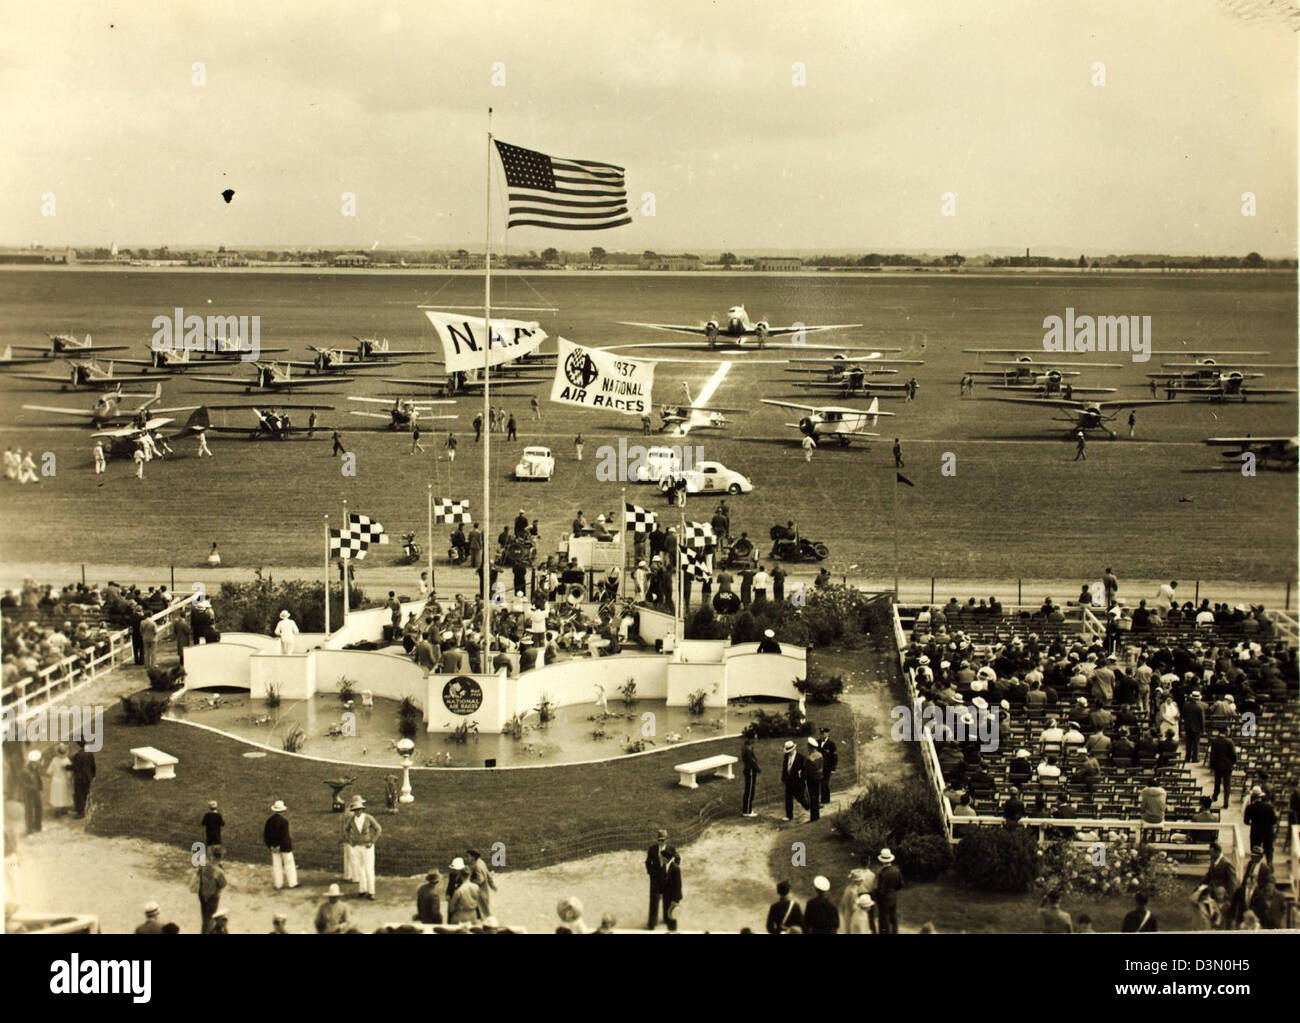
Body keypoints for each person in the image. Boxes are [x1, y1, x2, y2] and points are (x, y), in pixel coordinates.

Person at [342, 795, 382, 899]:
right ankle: (362, 890)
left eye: (359, 809)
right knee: (359, 869)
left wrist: (372, 841)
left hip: (367, 847)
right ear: (353, 810)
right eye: (355, 810)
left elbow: (378, 829)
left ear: (362, 809)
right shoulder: (351, 819)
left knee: (369, 869)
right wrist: (350, 840)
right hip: (356, 847)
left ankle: (371, 891)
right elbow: (345, 829)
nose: (358, 812)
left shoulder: (368, 818)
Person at [264, 799, 299, 890]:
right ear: (283, 810)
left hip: (273, 847)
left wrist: (271, 846)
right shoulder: (284, 821)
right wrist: (279, 845)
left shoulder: (269, 821)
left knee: (276, 865)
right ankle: (292, 883)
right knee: (289, 864)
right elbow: (284, 836)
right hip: (284, 846)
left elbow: (266, 835)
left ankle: (278, 884)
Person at [645, 828, 677, 928]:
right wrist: (651, 873)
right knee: (654, 902)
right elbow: (647, 862)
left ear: (666, 840)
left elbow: (676, 861)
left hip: (667, 879)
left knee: (667, 901)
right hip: (655, 880)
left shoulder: (671, 850)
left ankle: (666, 920)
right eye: (659, 839)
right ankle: (652, 923)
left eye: (662, 840)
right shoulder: (652, 849)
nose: (660, 842)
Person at [195, 846, 228, 933]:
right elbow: (223, 884)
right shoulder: (219, 871)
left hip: (202, 894)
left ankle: (203, 931)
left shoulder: (204, 865)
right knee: (210, 919)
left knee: (205, 917)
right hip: (213, 897)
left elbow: (199, 875)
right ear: (221, 856)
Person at [1243, 788, 1278, 864]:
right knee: (1269, 850)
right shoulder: (1269, 807)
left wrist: (1253, 823)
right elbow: (1274, 820)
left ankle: (1254, 868)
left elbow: (1246, 821)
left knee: (1255, 851)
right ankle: (1269, 864)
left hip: (1256, 832)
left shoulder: (1250, 807)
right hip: (1268, 832)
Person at [874, 849, 904, 934]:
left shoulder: (882, 873)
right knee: (894, 916)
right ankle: (895, 932)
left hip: (884, 898)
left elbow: (880, 889)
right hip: (893, 895)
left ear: (882, 861)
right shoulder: (896, 870)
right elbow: (901, 884)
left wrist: (877, 896)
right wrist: (893, 890)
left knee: (885, 917)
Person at [1208, 727, 1236, 808]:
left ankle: (1215, 795)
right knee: (1227, 785)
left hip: (1217, 765)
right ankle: (1226, 802)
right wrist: (1232, 763)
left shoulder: (1215, 741)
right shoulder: (1229, 742)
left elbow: (1212, 755)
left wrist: (1212, 766)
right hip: (1227, 766)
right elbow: (1233, 755)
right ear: (1226, 732)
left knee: (1217, 782)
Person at [780, 740, 808, 821]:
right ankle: (789, 815)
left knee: (800, 798)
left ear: (793, 749)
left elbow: (804, 770)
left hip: (798, 782)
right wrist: (783, 779)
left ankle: (809, 807)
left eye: (789, 751)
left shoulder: (801, 757)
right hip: (789, 781)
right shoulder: (786, 757)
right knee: (788, 798)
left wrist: (801, 776)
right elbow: (784, 768)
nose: (788, 753)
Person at [70, 739, 96, 818]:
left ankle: (80, 812)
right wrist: (93, 775)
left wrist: (66, 767)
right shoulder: (89, 753)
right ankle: (86, 808)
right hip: (88, 776)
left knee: (79, 794)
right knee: (85, 793)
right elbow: (93, 765)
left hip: (79, 777)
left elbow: (75, 767)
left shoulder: (78, 755)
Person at [46, 744, 73, 817]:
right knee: (64, 795)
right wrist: (69, 779)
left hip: (55, 780)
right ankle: (63, 810)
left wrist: (52, 775)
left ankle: (57, 811)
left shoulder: (54, 760)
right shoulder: (67, 761)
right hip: (64, 779)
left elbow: (49, 771)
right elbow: (69, 773)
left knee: (56, 796)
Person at [21, 750, 43, 833]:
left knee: (39, 808)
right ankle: (29, 829)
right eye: (36, 761)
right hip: (29, 793)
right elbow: (23, 784)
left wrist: (40, 787)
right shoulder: (25, 771)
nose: (37, 763)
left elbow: (38, 779)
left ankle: (38, 826)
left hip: (36, 791)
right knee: (29, 810)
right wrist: (33, 787)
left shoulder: (35, 769)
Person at [661, 849, 683, 931]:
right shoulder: (667, 866)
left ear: (666, 858)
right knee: (668, 916)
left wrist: (675, 900)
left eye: (662, 858)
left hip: (673, 898)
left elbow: (678, 885)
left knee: (672, 917)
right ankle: (670, 930)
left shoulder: (675, 868)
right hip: (667, 896)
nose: (661, 859)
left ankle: (673, 931)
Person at [818, 727, 838, 805]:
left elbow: (835, 757)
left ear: (827, 734)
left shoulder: (831, 744)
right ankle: (823, 799)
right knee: (821, 783)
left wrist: (833, 768)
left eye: (824, 733)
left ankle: (826, 799)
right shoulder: (818, 742)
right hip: (819, 767)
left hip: (827, 767)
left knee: (825, 783)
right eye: (821, 733)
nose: (822, 735)